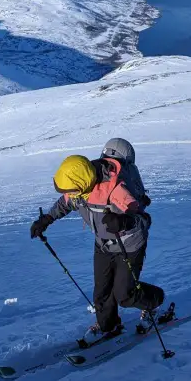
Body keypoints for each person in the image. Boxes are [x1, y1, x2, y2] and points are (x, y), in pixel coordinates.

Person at [30, 138, 164, 340]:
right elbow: (64, 203)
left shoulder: (115, 190)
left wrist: (124, 222)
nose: (69, 195)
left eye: (71, 191)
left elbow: (144, 219)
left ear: (82, 184)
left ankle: (155, 302)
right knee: (102, 294)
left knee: (125, 295)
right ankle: (107, 326)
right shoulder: (79, 187)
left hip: (128, 245)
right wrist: (47, 219)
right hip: (103, 245)